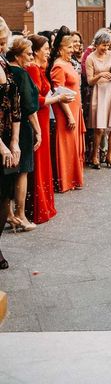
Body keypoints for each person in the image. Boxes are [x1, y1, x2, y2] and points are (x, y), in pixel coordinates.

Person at [26, 35, 74, 224]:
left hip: (45, 116)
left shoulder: (41, 68)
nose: (48, 51)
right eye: (45, 49)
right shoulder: (32, 69)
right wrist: (58, 99)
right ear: (36, 51)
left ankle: (45, 205)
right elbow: (34, 100)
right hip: (38, 116)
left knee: (44, 160)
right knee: (39, 160)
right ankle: (37, 208)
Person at [5, 38, 41, 231]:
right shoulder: (22, 74)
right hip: (22, 128)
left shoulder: (4, 70)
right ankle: (21, 215)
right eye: (28, 53)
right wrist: (38, 130)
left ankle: (9, 215)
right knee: (22, 171)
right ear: (18, 55)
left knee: (7, 173)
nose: (31, 57)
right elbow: (29, 107)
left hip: (5, 127)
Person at [85, 30, 111, 169]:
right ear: (96, 44)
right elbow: (90, 81)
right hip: (99, 92)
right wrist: (101, 74)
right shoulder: (90, 58)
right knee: (100, 128)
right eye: (103, 45)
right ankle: (95, 156)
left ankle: (110, 156)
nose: (106, 48)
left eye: (108, 45)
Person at [51, 35, 86, 192]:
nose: (73, 50)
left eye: (73, 47)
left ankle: (73, 178)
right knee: (66, 143)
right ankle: (65, 181)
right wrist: (69, 115)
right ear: (60, 49)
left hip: (74, 108)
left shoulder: (68, 63)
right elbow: (59, 93)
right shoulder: (58, 66)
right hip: (66, 110)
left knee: (73, 144)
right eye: (69, 47)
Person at [0, 17, 22, 269]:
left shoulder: (4, 63)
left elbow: (15, 106)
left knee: (4, 195)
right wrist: (3, 146)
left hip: (8, 135)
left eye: (4, 42)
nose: (2, 46)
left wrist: (14, 141)